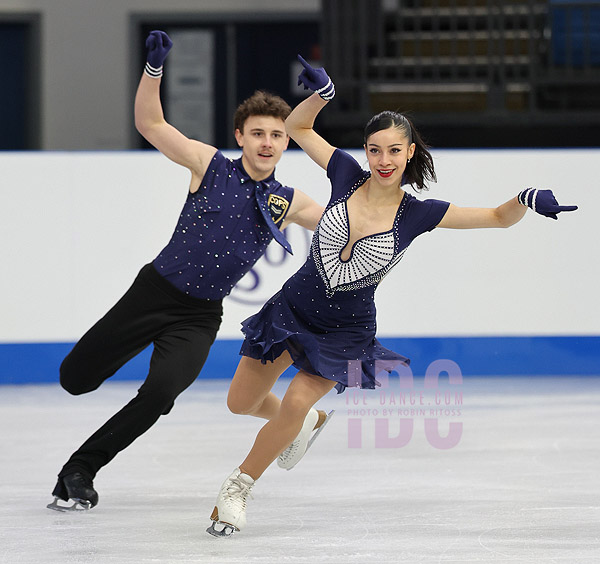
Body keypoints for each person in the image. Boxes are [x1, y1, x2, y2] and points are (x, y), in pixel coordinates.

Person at [206, 54, 578, 536]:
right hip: (292, 309)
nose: (384, 160)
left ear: (409, 154)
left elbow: (496, 217)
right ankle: (303, 425)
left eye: (394, 151)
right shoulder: (344, 174)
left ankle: (237, 489)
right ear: (365, 151)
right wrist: (323, 94)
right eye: (375, 150)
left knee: (295, 401)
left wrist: (525, 199)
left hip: (345, 332)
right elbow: (298, 127)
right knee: (240, 402)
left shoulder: (419, 213)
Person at [47, 32, 325, 512]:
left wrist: (321, 101)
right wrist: (153, 70)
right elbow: (150, 123)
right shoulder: (209, 165)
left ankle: (80, 469)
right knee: (75, 379)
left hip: (199, 316)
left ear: (286, 143)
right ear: (240, 137)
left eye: (277, 135)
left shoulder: (288, 200)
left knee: (160, 393)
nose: (267, 142)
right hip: (152, 293)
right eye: (257, 133)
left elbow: (347, 226)